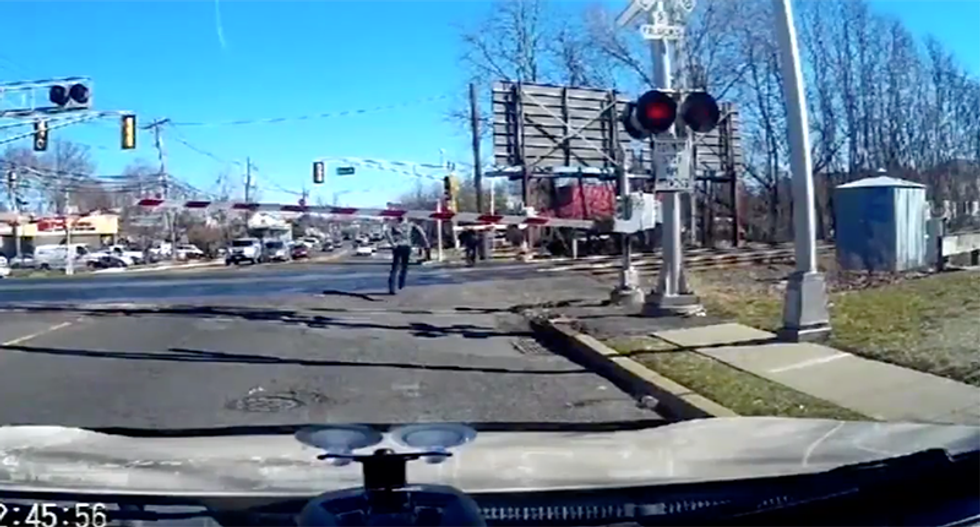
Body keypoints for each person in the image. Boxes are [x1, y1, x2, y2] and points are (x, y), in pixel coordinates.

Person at [385, 216, 429, 295]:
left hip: (398, 246)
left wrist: (392, 243)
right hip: (405, 246)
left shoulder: (394, 225)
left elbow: (387, 232)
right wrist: (425, 242)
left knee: (396, 267)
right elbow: (421, 231)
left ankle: (393, 288)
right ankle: (400, 284)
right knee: (403, 266)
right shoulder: (410, 225)